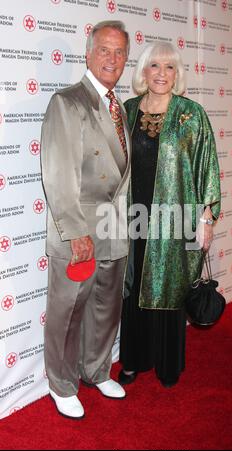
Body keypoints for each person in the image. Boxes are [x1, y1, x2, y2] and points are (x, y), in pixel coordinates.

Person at [41, 21, 130, 419]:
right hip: (77, 230)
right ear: (88, 53)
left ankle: (95, 370)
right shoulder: (68, 102)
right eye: (105, 50)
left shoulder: (119, 106)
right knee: (68, 311)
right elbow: (59, 174)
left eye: (120, 52)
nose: (113, 59)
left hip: (114, 229)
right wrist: (76, 232)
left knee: (106, 308)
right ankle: (61, 383)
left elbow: (123, 175)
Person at [118, 41, 221, 388]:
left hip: (176, 218)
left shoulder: (192, 114)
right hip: (134, 218)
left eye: (170, 67)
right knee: (134, 287)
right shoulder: (128, 110)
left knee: (169, 286)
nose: (162, 74)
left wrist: (206, 219)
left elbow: (207, 167)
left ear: (177, 74)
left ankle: (167, 364)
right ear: (143, 71)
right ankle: (133, 359)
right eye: (155, 66)